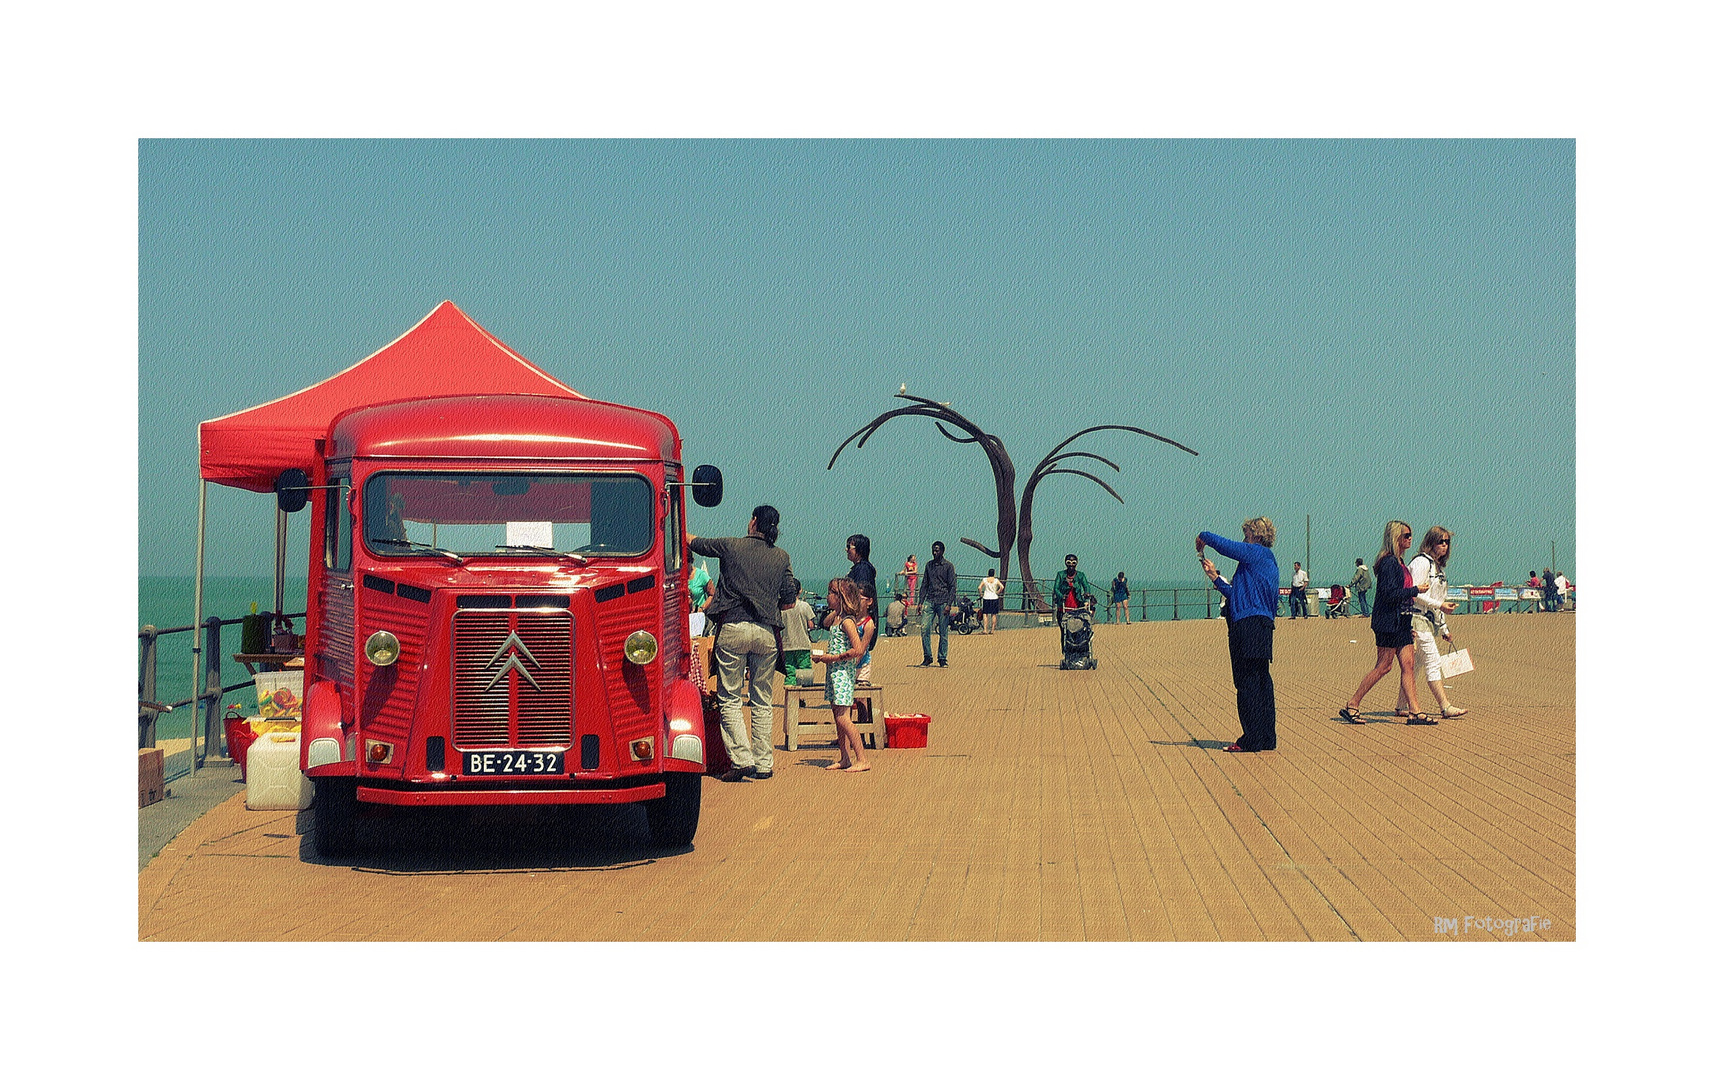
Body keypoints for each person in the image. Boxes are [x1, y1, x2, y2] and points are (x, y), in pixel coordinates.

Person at [688, 505, 798, 781]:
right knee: (762, 699)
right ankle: (764, 764)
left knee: (730, 697)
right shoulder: (781, 556)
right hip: (766, 632)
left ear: (753, 522)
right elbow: (789, 599)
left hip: (734, 628)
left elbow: (695, 543)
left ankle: (741, 759)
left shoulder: (730, 546)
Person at [1197, 518, 1280, 752]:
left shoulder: (1256, 553)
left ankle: (1251, 739)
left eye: (1246, 535)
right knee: (1261, 680)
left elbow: (1226, 546)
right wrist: (1214, 576)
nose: (1244, 539)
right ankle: (1265, 737)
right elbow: (1237, 596)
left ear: (1256, 536)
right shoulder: (1264, 562)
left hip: (1248, 626)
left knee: (1247, 682)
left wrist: (1204, 535)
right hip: (1261, 625)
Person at [1340, 521, 1434, 725]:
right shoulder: (1389, 562)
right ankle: (1352, 704)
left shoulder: (1399, 561)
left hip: (1402, 621)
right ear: (1396, 538)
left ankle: (1415, 711)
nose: (1410, 539)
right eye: (1406, 536)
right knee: (1384, 666)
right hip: (1388, 622)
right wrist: (1416, 589)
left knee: (1408, 665)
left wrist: (1409, 624)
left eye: (1410, 535)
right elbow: (1388, 594)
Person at [1395, 526, 1466, 719]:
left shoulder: (1437, 567)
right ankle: (1445, 706)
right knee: (1433, 662)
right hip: (1416, 619)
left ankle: (1402, 705)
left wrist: (1443, 626)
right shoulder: (1421, 562)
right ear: (1430, 542)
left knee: (1415, 665)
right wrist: (1440, 606)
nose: (1444, 545)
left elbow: (1437, 598)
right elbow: (1415, 593)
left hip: (1428, 621)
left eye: (1447, 542)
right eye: (1440, 541)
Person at [812, 580, 872, 772]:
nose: (828, 596)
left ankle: (862, 758)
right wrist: (835, 611)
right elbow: (826, 622)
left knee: (843, 717)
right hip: (833, 672)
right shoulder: (838, 618)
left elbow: (857, 649)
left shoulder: (847, 621)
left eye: (831, 593)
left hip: (842, 673)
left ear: (840, 597)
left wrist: (834, 657)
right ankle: (844, 756)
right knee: (837, 715)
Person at [919, 541, 957, 667]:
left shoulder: (948, 566)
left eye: (937, 550)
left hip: (943, 601)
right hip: (930, 600)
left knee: (943, 631)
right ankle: (927, 657)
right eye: (933, 550)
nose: (935, 553)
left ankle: (942, 658)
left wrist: (949, 604)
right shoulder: (929, 565)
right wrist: (920, 602)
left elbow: (952, 586)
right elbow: (925, 583)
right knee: (924, 628)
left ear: (942, 551)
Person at [779, 577, 816, 688]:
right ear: (800, 590)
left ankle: (790, 695)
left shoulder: (781, 607)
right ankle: (802, 696)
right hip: (803, 644)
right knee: (804, 671)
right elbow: (811, 625)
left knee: (790, 672)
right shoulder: (804, 606)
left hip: (787, 644)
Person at [1052, 554, 1094, 622]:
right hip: (1064, 603)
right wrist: (1061, 596)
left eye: (1073, 563)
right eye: (1068, 562)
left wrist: (1087, 593)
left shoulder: (1080, 575)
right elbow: (1056, 588)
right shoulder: (1060, 574)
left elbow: (1086, 586)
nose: (1071, 565)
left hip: (1077, 602)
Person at [979, 568, 1005, 634]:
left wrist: (981, 594)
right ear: (994, 573)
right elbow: (1002, 587)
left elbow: (979, 587)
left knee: (985, 614)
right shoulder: (996, 580)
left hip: (986, 597)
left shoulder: (984, 580)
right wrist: (997, 592)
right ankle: (992, 630)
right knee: (993, 614)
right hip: (994, 598)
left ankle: (985, 629)